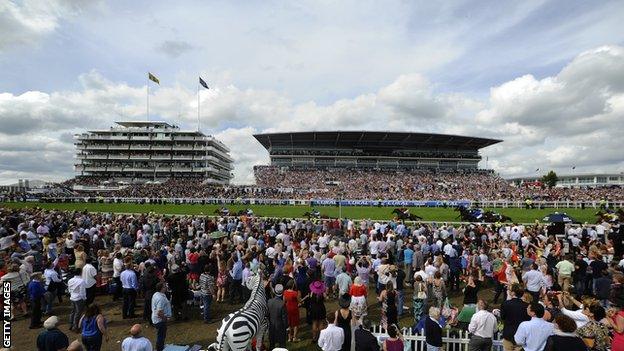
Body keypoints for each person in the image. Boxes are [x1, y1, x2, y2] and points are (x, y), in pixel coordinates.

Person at [500, 284, 530, 351]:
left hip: (508, 334)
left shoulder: (505, 304)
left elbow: (502, 317)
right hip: (521, 336)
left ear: (513, 293)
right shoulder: (527, 306)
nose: (509, 291)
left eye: (510, 290)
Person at [151, 282, 172, 351]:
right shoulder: (161, 298)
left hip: (156, 318)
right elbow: (159, 312)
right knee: (161, 336)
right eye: (164, 286)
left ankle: (159, 347)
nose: (166, 287)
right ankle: (159, 349)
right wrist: (165, 318)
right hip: (160, 320)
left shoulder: (156, 294)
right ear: (162, 288)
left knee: (160, 335)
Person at [267, 284, 288, 349]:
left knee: (271, 344)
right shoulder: (282, 304)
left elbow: (267, 314)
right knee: (282, 344)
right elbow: (284, 318)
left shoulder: (269, 301)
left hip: (271, 325)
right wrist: (286, 326)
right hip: (280, 327)